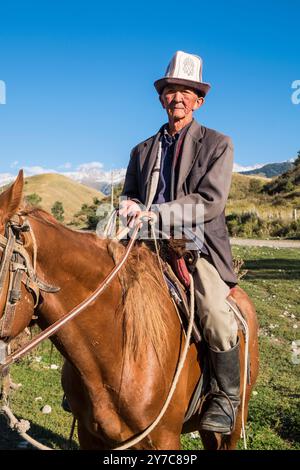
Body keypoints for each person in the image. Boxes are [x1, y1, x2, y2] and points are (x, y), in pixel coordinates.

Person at [119, 51, 240, 434]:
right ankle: (86, 383)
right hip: (141, 244)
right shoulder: (141, 150)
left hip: (194, 245)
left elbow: (210, 201)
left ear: (199, 100)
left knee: (217, 316)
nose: (178, 98)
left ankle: (226, 396)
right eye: (172, 90)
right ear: (161, 97)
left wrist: (159, 213)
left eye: (187, 91)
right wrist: (128, 205)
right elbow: (131, 192)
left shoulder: (218, 144)